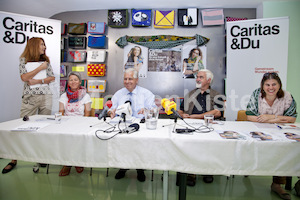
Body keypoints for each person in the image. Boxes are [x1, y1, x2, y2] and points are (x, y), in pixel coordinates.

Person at [2, 37, 55, 174]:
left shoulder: (46, 61)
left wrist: (38, 80)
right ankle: (14, 159)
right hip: (30, 98)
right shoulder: (23, 60)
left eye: (44, 44)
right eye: (42, 44)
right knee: (21, 127)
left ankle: (41, 156)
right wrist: (40, 68)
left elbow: (52, 78)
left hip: (46, 97)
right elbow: (24, 78)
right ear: (34, 45)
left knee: (44, 128)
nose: (44, 47)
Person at [246, 72, 297, 200]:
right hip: (259, 131)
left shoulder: (287, 96)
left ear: (279, 85)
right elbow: (249, 116)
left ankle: (277, 184)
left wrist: (270, 117)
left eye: (274, 84)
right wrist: (278, 119)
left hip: (280, 131)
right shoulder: (257, 94)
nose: (271, 87)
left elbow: (291, 118)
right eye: (267, 84)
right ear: (262, 86)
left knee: (285, 148)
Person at [178, 69, 225, 186]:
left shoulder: (217, 95)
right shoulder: (190, 94)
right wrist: (182, 114)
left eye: (201, 77)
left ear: (208, 80)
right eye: (197, 77)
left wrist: (197, 116)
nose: (197, 79)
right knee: (190, 145)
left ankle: (207, 170)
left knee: (209, 145)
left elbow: (218, 113)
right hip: (191, 125)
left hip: (210, 126)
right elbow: (181, 110)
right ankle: (191, 172)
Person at [109, 68, 156, 182]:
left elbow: (154, 110)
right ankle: (123, 167)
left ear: (136, 80)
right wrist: (111, 112)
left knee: (139, 145)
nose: (127, 81)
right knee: (121, 145)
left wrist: (146, 110)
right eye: (125, 79)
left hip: (140, 127)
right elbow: (111, 109)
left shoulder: (146, 93)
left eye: (130, 78)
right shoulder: (119, 94)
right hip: (122, 125)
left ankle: (140, 169)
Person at [58, 71, 92, 176]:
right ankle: (67, 163)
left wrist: (81, 125)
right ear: (68, 83)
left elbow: (87, 113)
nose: (73, 82)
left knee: (77, 137)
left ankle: (77, 161)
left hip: (81, 123)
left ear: (80, 82)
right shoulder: (63, 96)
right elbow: (61, 112)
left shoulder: (86, 96)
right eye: (71, 80)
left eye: (75, 80)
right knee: (66, 138)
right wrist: (65, 124)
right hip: (66, 124)